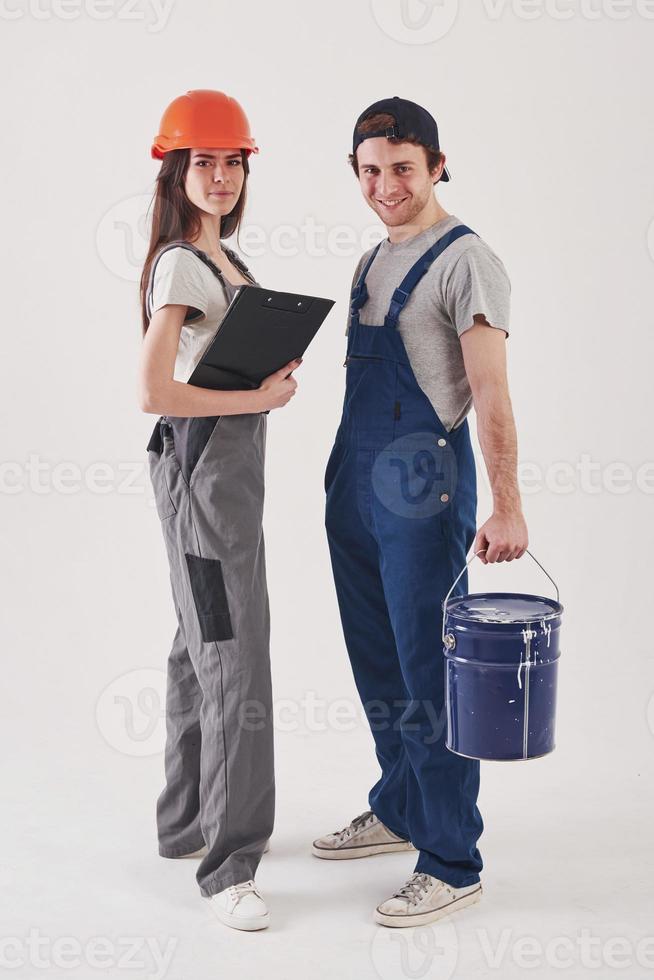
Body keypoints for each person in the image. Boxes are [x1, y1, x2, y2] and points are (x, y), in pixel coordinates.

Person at [315, 96, 528, 927]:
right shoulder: (370, 260)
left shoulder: (467, 261)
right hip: (355, 488)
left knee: (429, 675)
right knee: (378, 665)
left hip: (422, 496)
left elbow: (491, 393)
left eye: (402, 168)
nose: (385, 185)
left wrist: (507, 505)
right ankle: (401, 806)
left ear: (438, 165)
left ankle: (450, 858)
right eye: (370, 170)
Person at [138, 89, 301, 932]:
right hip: (205, 477)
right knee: (235, 652)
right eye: (205, 161)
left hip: (223, 478)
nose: (223, 175)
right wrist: (260, 401)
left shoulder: (226, 264)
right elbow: (154, 390)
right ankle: (229, 863)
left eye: (233, 161)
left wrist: (264, 382)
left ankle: (184, 822)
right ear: (176, 169)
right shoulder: (179, 264)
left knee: (196, 641)